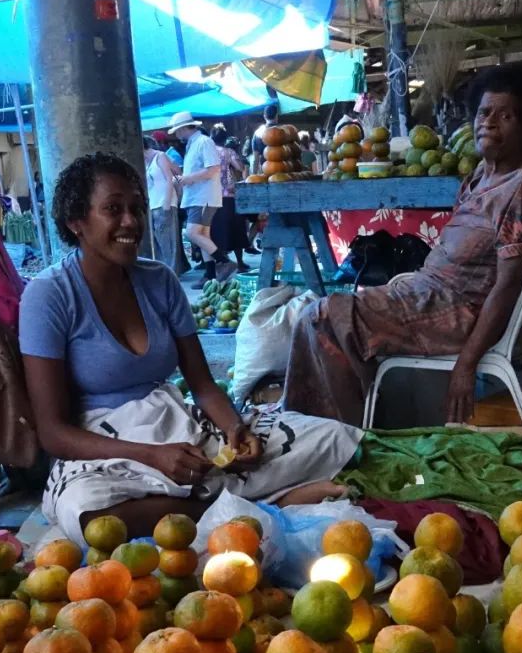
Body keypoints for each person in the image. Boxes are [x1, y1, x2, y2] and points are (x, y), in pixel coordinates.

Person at [19, 153, 359, 543]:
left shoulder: (159, 280)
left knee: (330, 437)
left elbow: (202, 384)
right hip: (102, 445)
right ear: (76, 222)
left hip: (176, 424)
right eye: (113, 209)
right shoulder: (48, 295)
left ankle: (226, 502)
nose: (130, 221)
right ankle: (267, 507)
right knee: (92, 517)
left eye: (136, 208)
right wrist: (149, 456)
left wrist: (234, 429)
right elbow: (53, 432)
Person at [283, 63, 522, 427]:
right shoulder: (480, 176)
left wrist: (466, 365)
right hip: (425, 293)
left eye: (505, 115)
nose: (488, 122)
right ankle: (327, 428)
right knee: (315, 313)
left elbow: (508, 285)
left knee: (319, 317)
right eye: (483, 112)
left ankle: (339, 439)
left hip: (455, 311)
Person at [168, 111, 232, 283]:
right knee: (203, 234)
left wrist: (187, 179)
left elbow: (213, 169)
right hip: (199, 196)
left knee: (192, 233)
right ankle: (210, 274)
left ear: (183, 129)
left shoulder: (203, 142)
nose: (176, 134)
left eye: (177, 130)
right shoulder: (194, 143)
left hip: (203, 197)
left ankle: (224, 261)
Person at [142, 136, 186, 275]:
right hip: (153, 205)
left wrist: (167, 202)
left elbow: (169, 178)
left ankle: (171, 272)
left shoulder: (160, 156)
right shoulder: (146, 162)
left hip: (164, 203)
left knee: (168, 242)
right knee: (159, 241)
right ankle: (166, 271)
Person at [210, 128, 249, 270]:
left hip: (212, 196)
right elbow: (240, 167)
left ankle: (222, 262)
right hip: (229, 195)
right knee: (237, 229)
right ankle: (240, 262)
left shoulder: (208, 152)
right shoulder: (228, 152)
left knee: (217, 231)